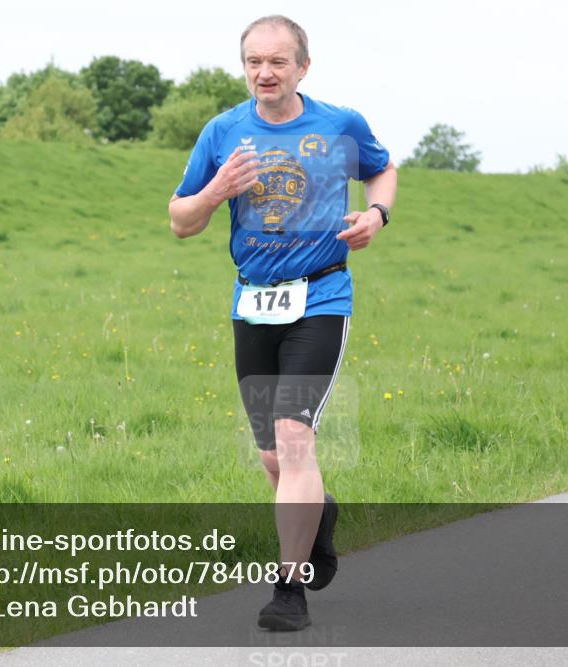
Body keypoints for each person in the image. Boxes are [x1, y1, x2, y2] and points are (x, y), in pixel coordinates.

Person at [168, 15, 396, 630]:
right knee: (273, 458)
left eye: (277, 62)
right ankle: (318, 516)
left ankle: (287, 590)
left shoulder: (338, 125)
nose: (264, 73)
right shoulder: (222, 132)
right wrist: (216, 190)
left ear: (303, 66)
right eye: (253, 63)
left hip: (320, 299)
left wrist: (376, 214)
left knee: (295, 437)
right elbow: (181, 221)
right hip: (253, 303)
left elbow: (383, 168)